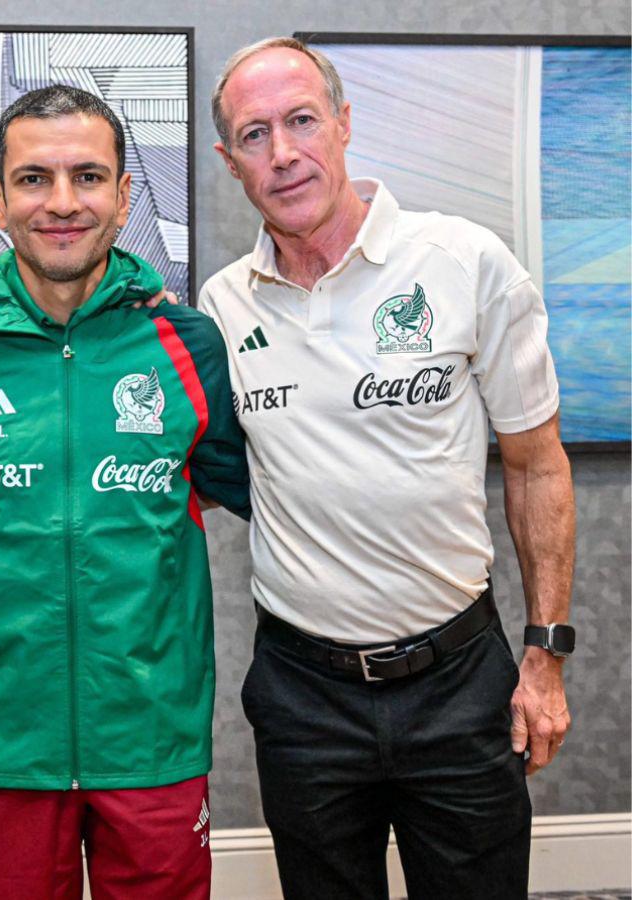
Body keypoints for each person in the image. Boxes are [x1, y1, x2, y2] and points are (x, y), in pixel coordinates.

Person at [199, 37, 576, 900]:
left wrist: (545, 654)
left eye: (301, 120)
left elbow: (536, 465)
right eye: (254, 136)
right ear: (229, 162)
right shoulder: (222, 308)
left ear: (343, 122)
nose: (284, 153)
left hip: (460, 681)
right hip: (302, 697)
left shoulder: (465, 263)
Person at [0, 84, 251, 900]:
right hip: (4, 737)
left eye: (88, 177)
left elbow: (260, 486)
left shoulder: (189, 344)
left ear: (125, 196)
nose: (61, 203)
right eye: (33, 179)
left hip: (154, 732)